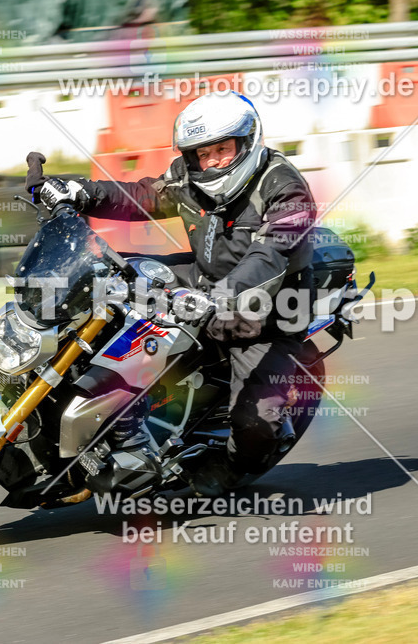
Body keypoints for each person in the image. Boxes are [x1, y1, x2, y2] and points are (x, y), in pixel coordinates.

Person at [25, 91, 316, 496]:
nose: (210, 161)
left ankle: (230, 466)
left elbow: (271, 255)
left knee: (256, 420)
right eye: (201, 153)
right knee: (104, 282)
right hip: (203, 277)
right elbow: (143, 196)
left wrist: (222, 296)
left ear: (247, 143)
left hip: (270, 311)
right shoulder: (189, 177)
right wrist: (79, 191)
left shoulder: (285, 190)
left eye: (222, 150)